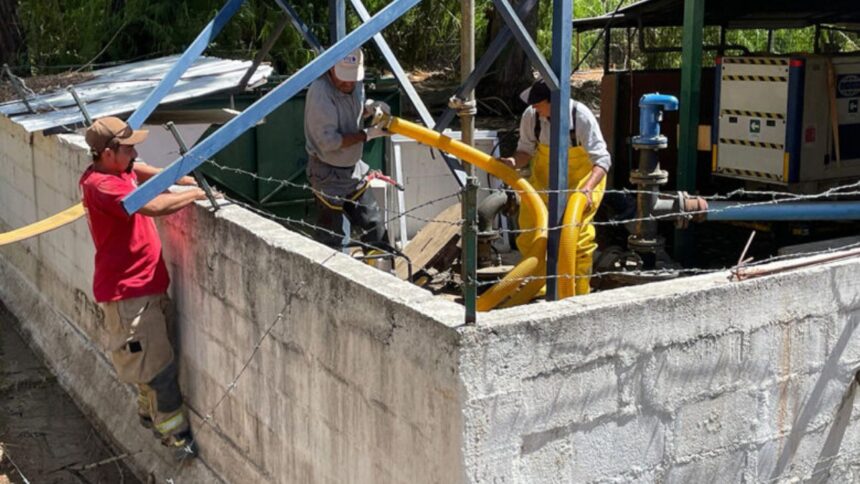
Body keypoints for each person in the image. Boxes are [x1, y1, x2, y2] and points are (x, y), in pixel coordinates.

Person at [79, 116, 206, 460]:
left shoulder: (119, 172)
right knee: (158, 369)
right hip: (129, 296)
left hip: (145, 288)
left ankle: (148, 413)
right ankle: (175, 437)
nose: (135, 154)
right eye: (129, 148)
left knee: (154, 359)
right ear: (108, 153)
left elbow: (147, 172)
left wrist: (178, 177)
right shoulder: (103, 186)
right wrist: (194, 193)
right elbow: (151, 206)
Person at [501, 79, 612, 295]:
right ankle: (539, 287)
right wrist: (513, 162)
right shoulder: (531, 116)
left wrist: (587, 189)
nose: (534, 108)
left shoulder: (580, 117)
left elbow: (602, 160)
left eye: (539, 104)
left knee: (577, 238)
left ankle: (578, 291)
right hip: (545, 181)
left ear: (555, 102)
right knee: (531, 232)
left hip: (584, 181)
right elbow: (525, 151)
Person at [304, 47, 392, 251]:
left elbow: (354, 108)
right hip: (327, 173)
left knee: (375, 227)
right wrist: (367, 135)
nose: (348, 84)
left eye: (352, 79)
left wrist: (371, 107)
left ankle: (381, 264)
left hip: (353, 169)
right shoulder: (320, 92)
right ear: (330, 69)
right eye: (343, 79)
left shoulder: (355, 81)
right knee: (331, 237)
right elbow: (329, 142)